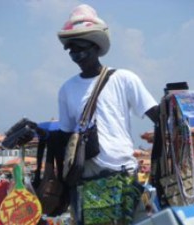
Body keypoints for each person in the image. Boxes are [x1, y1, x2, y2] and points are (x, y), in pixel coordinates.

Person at [57, 4, 158, 224]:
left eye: (81, 49)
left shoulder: (124, 79)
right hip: (87, 180)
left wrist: (177, 106)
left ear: (95, 47)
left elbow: (156, 116)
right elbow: (65, 136)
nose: (77, 55)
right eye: (72, 50)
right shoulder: (67, 89)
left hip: (125, 174)